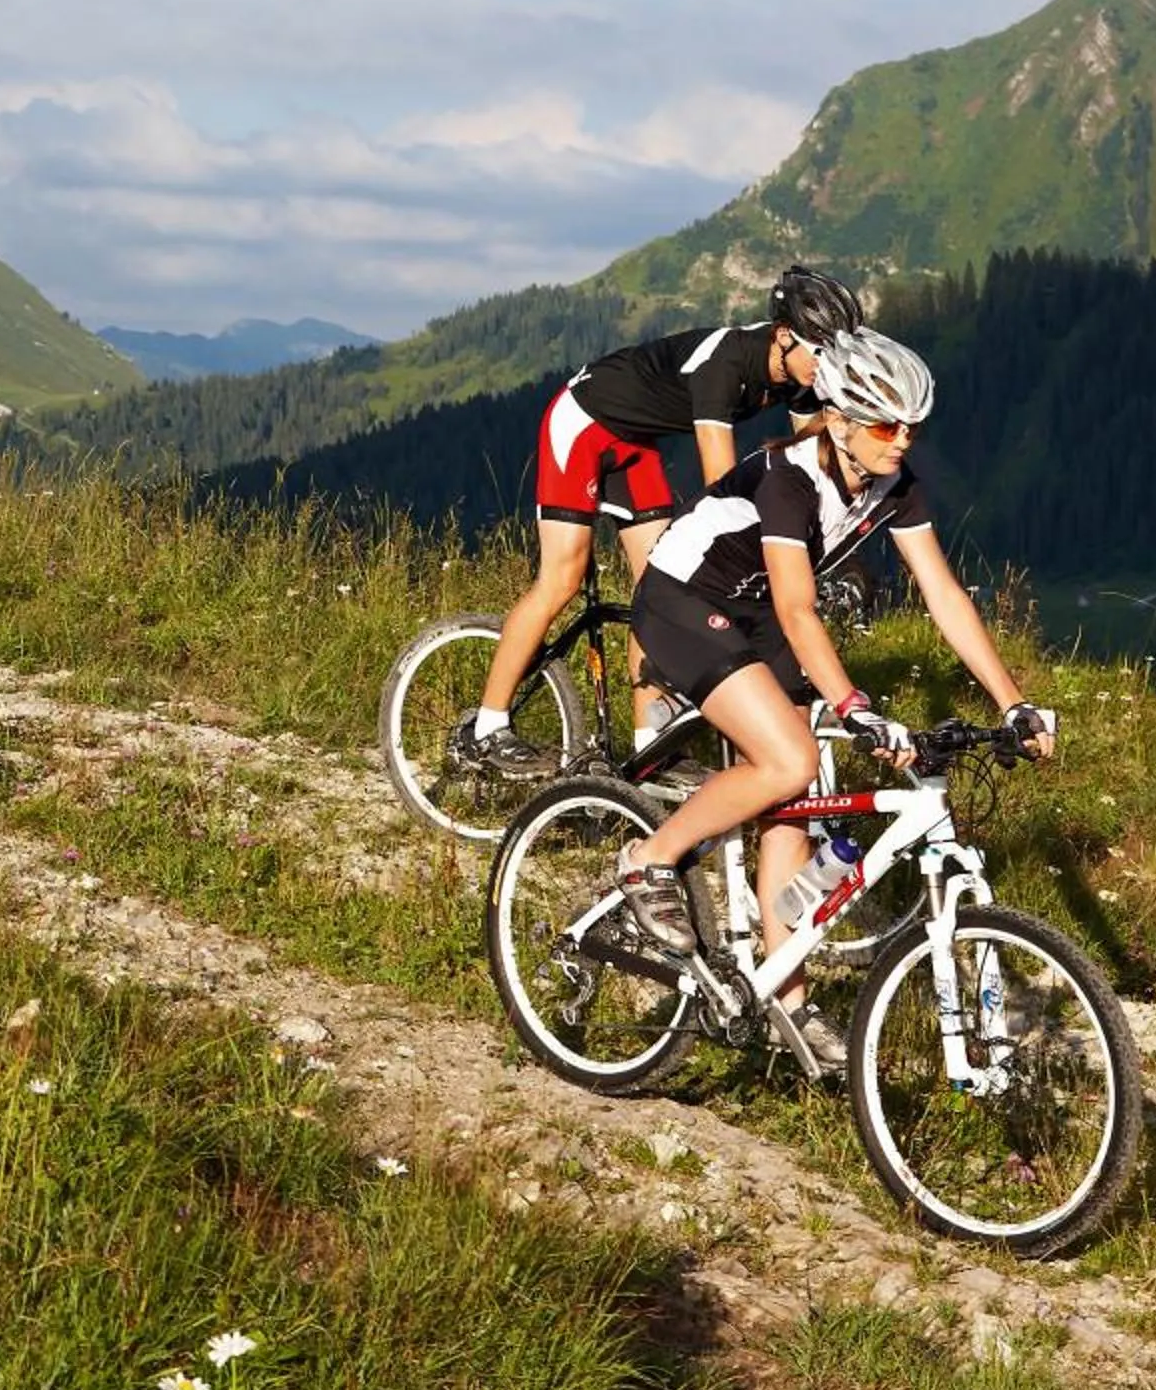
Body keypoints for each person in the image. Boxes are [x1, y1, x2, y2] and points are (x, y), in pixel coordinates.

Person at [604, 326, 1056, 1073]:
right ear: (839, 420)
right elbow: (797, 607)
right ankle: (647, 859)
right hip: (685, 600)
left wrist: (1013, 701)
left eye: (912, 424)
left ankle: (787, 997)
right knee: (790, 760)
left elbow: (942, 593)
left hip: (755, 615)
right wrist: (851, 703)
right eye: (884, 423)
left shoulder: (894, 484)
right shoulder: (787, 477)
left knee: (796, 812)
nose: (901, 439)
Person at [452, 265, 864, 779]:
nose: (829, 367)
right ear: (784, 336)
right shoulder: (728, 364)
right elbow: (721, 483)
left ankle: (653, 739)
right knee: (563, 576)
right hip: (584, 423)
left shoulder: (801, 379)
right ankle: (486, 729)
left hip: (635, 444)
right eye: (822, 351)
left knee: (662, 584)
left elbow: (814, 462)